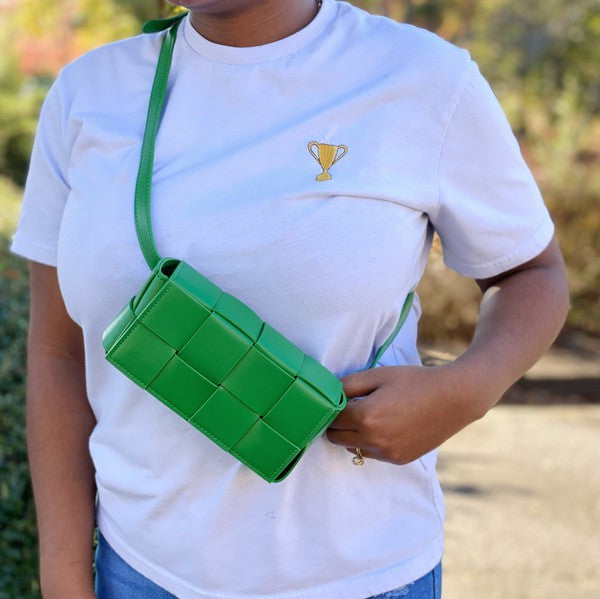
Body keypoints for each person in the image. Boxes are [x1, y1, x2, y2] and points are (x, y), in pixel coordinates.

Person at [9, 0, 570, 597]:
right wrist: (65, 580)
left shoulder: (422, 77)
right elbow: (59, 353)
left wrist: (467, 390)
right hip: (140, 572)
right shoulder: (87, 93)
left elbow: (533, 273)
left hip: (362, 576)